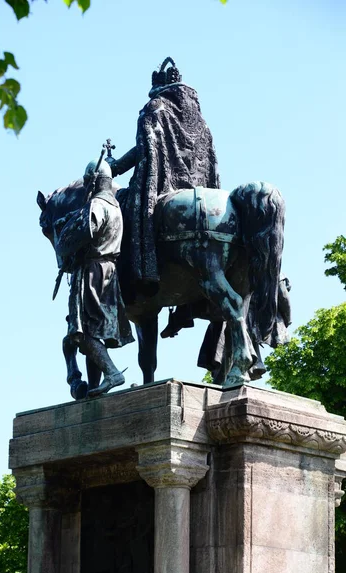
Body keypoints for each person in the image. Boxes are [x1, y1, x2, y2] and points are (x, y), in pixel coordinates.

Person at [110, 58, 220, 304]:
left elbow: (145, 148)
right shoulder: (199, 117)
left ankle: (137, 273)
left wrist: (115, 166)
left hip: (164, 185)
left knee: (127, 211)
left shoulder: (155, 108)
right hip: (202, 187)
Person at [56, 158, 134, 397]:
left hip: (92, 272)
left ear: (93, 181)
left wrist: (66, 237)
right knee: (90, 330)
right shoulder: (115, 207)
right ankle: (104, 374)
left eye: (88, 181)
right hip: (109, 271)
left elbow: (85, 232)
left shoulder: (97, 205)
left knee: (82, 331)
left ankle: (112, 373)